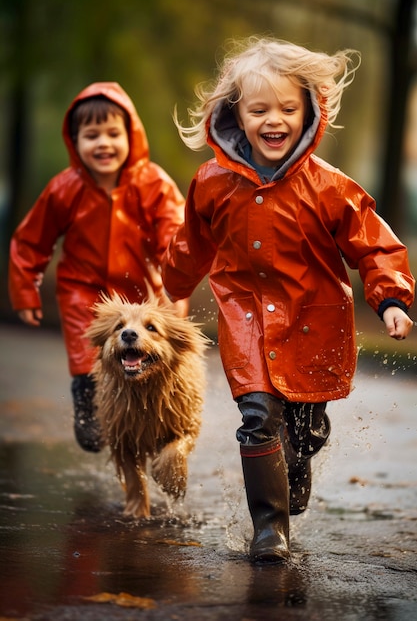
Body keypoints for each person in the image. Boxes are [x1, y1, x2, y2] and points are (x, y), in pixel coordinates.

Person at [161, 37, 415, 564]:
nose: (273, 119)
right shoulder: (212, 183)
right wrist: (173, 292)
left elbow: (375, 244)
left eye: (287, 108)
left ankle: (294, 472)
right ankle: (269, 529)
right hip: (244, 316)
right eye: (259, 109)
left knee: (307, 430)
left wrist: (391, 298)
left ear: (309, 113)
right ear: (237, 115)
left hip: (313, 321)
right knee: (258, 416)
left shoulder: (330, 187)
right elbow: (191, 245)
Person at [9, 82, 187, 453]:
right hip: (82, 293)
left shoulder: (152, 183)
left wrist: (176, 284)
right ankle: (87, 399)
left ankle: (152, 413)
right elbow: (31, 241)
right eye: (92, 136)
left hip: (141, 290)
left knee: (144, 355)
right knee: (87, 353)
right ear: (75, 143)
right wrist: (25, 289)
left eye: (112, 134)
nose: (103, 144)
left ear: (131, 136)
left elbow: (174, 233)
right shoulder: (64, 188)